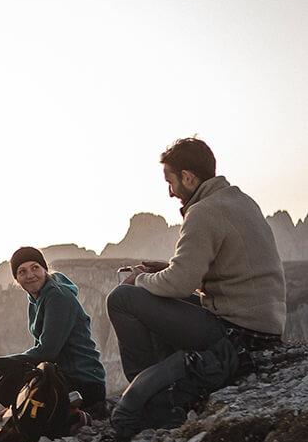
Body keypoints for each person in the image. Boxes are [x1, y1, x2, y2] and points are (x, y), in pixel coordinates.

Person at [106, 137, 286, 385]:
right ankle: (167, 378)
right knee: (155, 293)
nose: (170, 192)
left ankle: (146, 389)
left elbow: (178, 285)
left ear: (188, 177)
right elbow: (229, 272)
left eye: (171, 182)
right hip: (264, 329)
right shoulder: (241, 201)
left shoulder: (203, 211)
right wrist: (169, 269)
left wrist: (140, 279)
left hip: (239, 335)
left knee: (121, 299)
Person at [0, 246, 107, 416]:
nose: (30, 275)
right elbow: (41, 348)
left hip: (84, 383)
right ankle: (34, 416)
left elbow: (47, 351)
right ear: (17, 279)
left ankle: (57, 417)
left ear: (44, 269)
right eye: (22, 271)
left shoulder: (58, 297)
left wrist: (2, 362)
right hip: (61, 377)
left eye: (35, 268)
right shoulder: (36, 300)